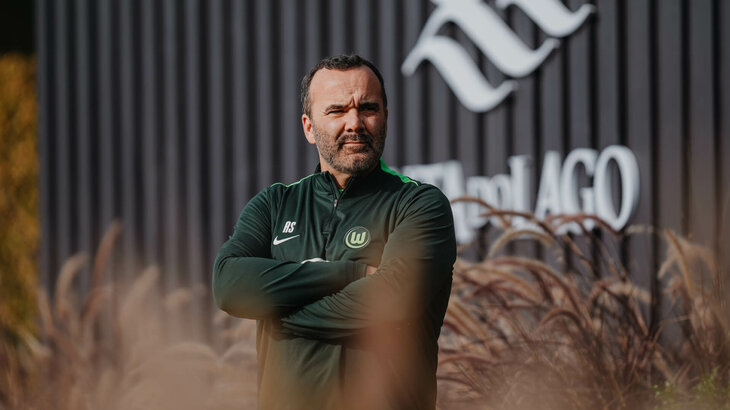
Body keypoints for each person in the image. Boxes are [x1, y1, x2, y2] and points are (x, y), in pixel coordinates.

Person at [212, 54, 456, 410]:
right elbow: (229, 284)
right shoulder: (275, 204)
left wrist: (276, 311)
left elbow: (392, 299)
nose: (355, 122)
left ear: (385, 117)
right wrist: (351, 273)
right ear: (309, 127)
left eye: (368, 108)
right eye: (337, 110)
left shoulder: (419, 204)